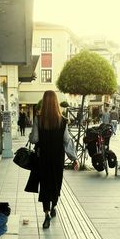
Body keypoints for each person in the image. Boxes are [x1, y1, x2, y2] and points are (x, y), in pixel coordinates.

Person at [28, 90, 78, 229]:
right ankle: (54, 205)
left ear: (44, 102)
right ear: (56, 102)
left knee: (45, 185)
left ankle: (46, 214)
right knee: (56, 183)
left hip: (43, 158)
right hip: (57, 158)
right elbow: (67, 141)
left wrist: (30, 137)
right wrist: (74, 158)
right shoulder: (63, 120)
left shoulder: (39, 118)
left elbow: (34, 139)